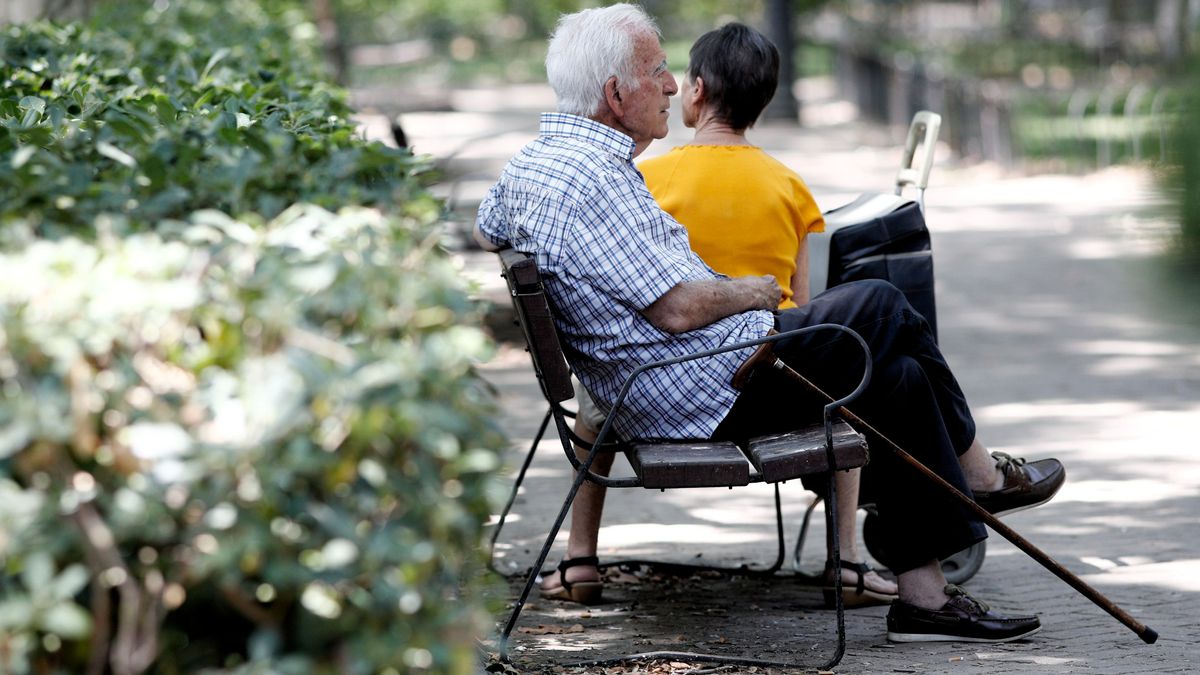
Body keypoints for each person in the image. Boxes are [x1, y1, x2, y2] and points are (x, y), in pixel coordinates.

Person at [475, 4, 1065, 644]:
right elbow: (673, 310)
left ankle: (923, 600)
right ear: (616, 93)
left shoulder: (536, 164)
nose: (673, 85)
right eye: (658, 71)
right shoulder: (593, 180)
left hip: (683, 378)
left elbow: (487, 228)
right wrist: (749, 291)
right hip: (701, 391)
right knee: (883, 302)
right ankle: (980, 475)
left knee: (896, 377)